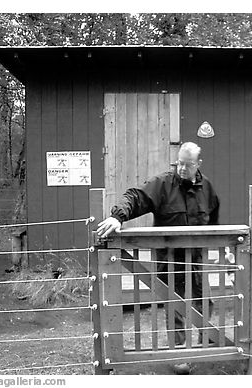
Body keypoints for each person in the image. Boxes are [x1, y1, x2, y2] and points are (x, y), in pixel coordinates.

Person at [97, 141, 220, 374]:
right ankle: (178, 353)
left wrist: (216, 248)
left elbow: (214, 221)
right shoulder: (163, 184)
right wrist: (118, 217)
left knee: (204, 300)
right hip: (170, 259)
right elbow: (135, 196)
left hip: (196, 258)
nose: (182, 169)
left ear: (198, 164)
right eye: (179, 164)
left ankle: (208, 346)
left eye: (188, 165)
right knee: (175, 307)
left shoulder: (208, 189)